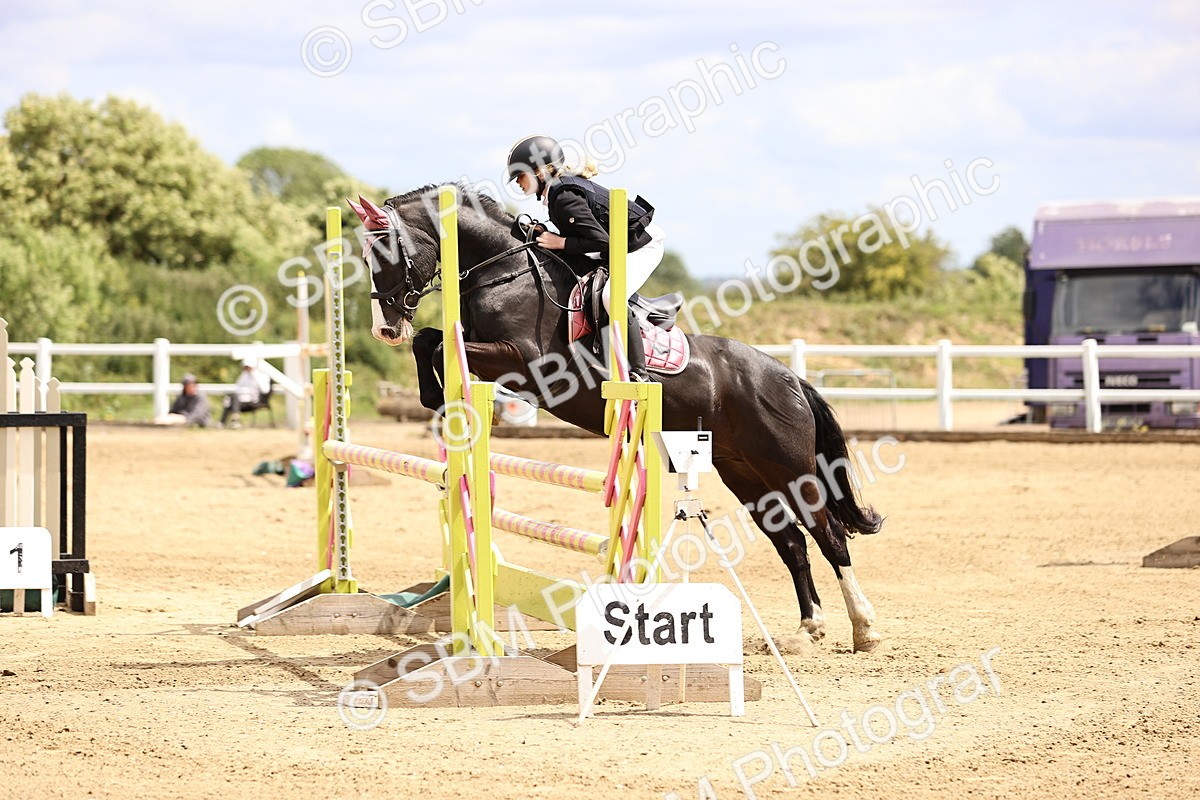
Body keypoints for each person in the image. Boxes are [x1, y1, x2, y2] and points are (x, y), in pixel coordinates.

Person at [506, 134, 665, 380]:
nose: (517, 181)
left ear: (539, 171)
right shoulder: (557, 194)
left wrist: (560, 242)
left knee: (612, 296)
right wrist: (553, 237)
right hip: (618, 246)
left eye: (520, 175)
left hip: (640, 246)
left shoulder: (563, 197)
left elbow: (604, 242)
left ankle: (640, 373)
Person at [220, 358, 271, 429]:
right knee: (229, 398)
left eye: (248, 367)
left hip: (253, 402)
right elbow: (237, 388)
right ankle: (233, 421)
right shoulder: (244, 375)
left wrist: (255, 375)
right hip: (240, 400)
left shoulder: (261, 375)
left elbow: (265, 390)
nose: (247, 369)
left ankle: (225, 422)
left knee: (232, 399)